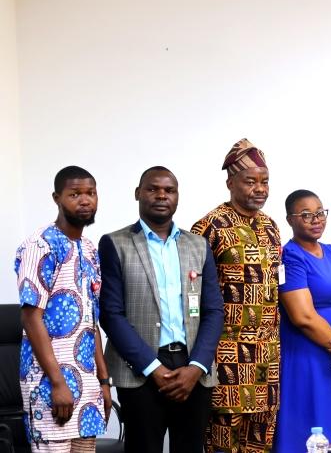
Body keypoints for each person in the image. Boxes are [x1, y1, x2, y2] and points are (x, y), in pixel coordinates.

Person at [98, 167, 224, 453]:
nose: (161, 195)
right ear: (138, 194)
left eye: (169, 190)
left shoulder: (198, 245)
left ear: (177, 196)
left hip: (194, 368)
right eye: (153, 189)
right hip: (139, 370)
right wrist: (153, 368)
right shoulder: (115, 244)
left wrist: (197, 366)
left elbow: (214, 311)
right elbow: (111, 314)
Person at [191, 138, 282, 453]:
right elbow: (193, 296)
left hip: (266, 360)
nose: (260, 188)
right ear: (230, 183)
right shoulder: (208, 227)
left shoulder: (271, 227)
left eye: (265, 181)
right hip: (226, 359)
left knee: (261, 442)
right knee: (221, 443)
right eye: (250, 181)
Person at [15, 166, 111, 452]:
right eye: (75, 194)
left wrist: (104, 381)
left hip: (87, 384)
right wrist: (58, 383)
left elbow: (90, 320)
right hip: (50, 384)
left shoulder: (90, 249)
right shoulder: (40, 245)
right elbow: (31, 318)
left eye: (90, 193)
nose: (85, 200)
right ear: (57, 198)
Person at [275, 190, 331, 450]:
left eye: (320, 213)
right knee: (312, 428)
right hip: (308, 357)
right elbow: (303, 317)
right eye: (305, 215)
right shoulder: (289, 256)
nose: (316, 220)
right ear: (290, 220)